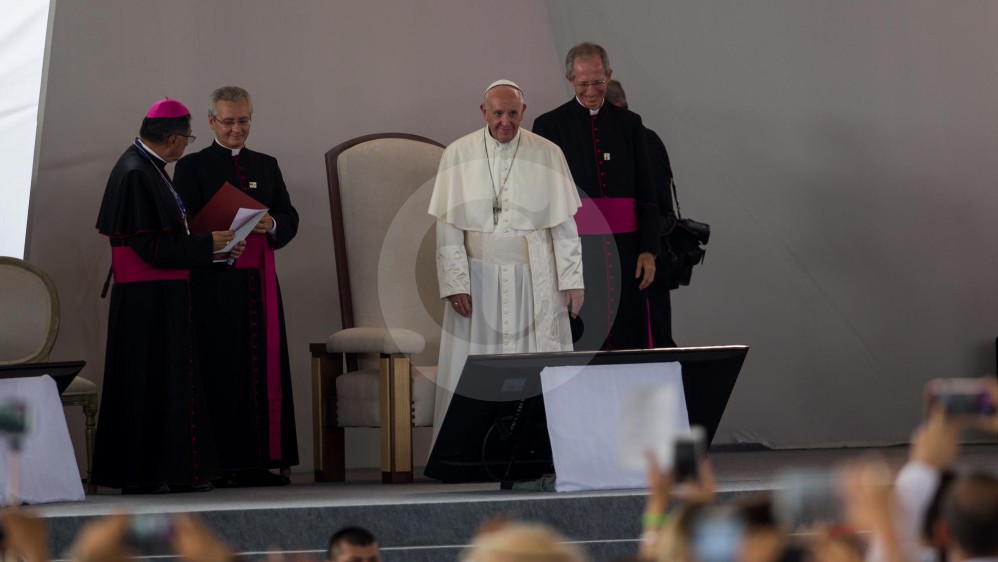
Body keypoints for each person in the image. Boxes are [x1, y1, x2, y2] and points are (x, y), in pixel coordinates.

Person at [93, 98, 244, 494]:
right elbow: (149, 249)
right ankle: (148, 474)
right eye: (188, 138)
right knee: (151, 387)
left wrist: (215, 252)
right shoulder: (135, 174)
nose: (187, 145)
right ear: (174, 139)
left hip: (161, 297)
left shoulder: (148, 168)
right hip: (147, 304)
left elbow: (167, 241)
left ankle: (173, 472)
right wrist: (206, 246)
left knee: (170, 386)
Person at [428, 79, 584, 439]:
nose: (505, 122)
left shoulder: (548, 153)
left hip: (535, 279)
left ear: (523, 112)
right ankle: (463, 447)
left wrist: (572, 281)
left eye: (513, 114)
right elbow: (448, 227)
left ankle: (538, 446)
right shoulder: (458, 153)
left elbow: (563, 226)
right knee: (474, 362)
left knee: (535, 365)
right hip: (478, 279)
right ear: (484, 112)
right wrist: (454, 283)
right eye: (498, 113)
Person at [174, 86, 299, 487]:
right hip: (215, 286)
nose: (236, 129)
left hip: (259, 282)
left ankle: (258, 462)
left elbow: (288, 214)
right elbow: (186, 225)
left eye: (243, 120)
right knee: (221, 367)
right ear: (211, 121)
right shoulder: (192, 167)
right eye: (228, 121)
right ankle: (221, 464)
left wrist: (273, 224)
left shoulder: (266, 164)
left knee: (262, 369)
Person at [533, 42, 664, 351]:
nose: (591, 90)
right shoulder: (549, 126)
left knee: (627, 334)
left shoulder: (630, 124)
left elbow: (646, 190)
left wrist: (648, 249)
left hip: (627, 247)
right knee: (582, 333)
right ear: (570, 80)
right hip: (576, 248)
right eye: (583, 84)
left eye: (598, 82)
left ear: (609, 74)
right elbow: (544, 199)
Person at [605, 79, 676, 347]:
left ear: (618, 106)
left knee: (654, 340)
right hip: (623, 262)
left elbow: (660, 209)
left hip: (646, 260)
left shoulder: (645, 140)